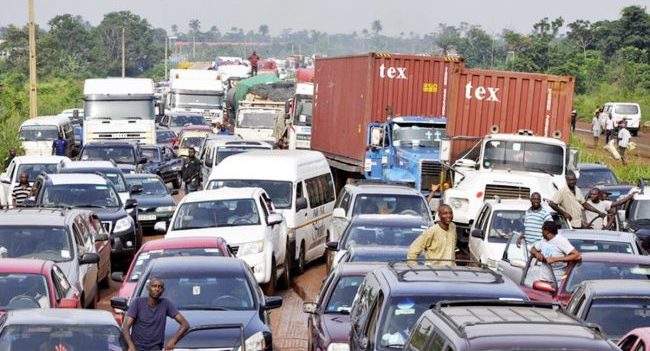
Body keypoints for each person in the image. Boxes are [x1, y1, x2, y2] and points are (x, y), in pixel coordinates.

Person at [122, 277, 189, 351]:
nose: (157, 289)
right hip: (137, 348)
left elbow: (185, 324)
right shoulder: (137, 302)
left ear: (163, 290)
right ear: (148, 287)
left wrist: (173, 340)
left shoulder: (166, 303)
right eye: (154, 286)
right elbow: (125, 328)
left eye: (160, 287)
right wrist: (130, 346)